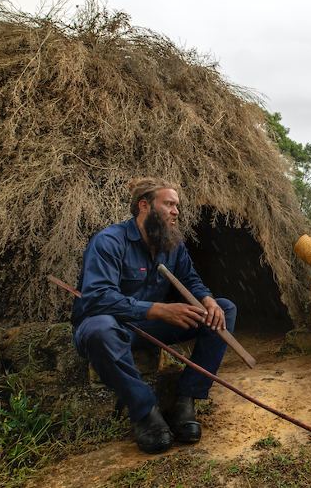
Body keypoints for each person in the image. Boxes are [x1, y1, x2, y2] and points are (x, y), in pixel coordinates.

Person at [71, 178, 237, 454]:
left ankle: (184, 401)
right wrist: (159, 309)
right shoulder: (110, 241)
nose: (176, 212)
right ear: (144, 206)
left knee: (225, 309)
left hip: (148, 327)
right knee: (100, 328)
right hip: (109, 327)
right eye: (169, 204)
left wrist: (207, 300)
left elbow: (191, 280)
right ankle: (145, 411)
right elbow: (97, 298)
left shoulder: (172, 245)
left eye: (177, 206)